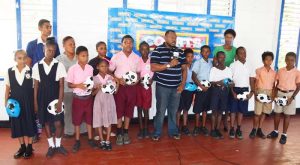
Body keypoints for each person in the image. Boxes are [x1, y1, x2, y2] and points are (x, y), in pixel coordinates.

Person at [32, 38, 67, 158]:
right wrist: (35, 103)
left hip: (55, 98)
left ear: (55, 51)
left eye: (53, 51)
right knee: (46, 122)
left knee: (58, 123)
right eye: (48, 50)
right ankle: (51, 146)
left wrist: (60, 102)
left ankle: (58, 145)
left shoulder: (59, 65)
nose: (50, 53)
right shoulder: (37, 66)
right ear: (43, 49)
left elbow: (61, 85)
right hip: (42, 97)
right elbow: (36, 86)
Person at [151, 30, 187, 141]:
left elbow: (184, 69)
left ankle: (173, 131)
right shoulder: (158, 50)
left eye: (175, 37)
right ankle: (157, 132)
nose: (174, 39)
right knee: (161, 111)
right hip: (162, 87)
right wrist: (169, 65)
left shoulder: (180, 52)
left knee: (173, 111)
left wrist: (182, 85)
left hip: (176, 88)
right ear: (165, 38)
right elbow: (153, 67)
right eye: (171, 37)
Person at [5, 50, 36, 159]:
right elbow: (8, 87)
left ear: (27, 58)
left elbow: (34, 88)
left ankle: (29, 146)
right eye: (19, 58)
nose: (22, 60)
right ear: (15, 59)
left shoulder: (31, 71)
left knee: (29, 122)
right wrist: (6, 102)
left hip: (28, 102)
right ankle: (22, 146)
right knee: (17, 124)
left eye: (24, 57)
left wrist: (35, 103)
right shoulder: (10, 71)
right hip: (14, 103)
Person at [109, 35, 140, 145]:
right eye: (126, 42)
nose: (128, 44)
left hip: (132, 88)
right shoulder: (116, 57)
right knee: (119, 110)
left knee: (129, 110)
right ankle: (119, 133)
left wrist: (137, 80)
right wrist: (117, 79)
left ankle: (126, 132)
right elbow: (109, 71)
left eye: (130, 42)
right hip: (120, 88)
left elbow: (139, 73)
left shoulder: (137, 58)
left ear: (132, 44)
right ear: (122, 44)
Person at [66, 46, 97, 152]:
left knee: (89, 120)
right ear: (77, 56)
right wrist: (78, 85)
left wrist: (92, 86)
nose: (86, 58)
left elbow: (91, 81)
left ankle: (90, 139)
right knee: (77, 121)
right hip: (78, 99)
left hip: (88, 98)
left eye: (87, 55)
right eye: (83, 56)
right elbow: (69, 84)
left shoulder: (90, 68)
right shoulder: (72, 69)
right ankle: (77, 140)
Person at [56, 36, 87, 138]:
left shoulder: (78, 57)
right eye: (70, 44)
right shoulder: (59, 60)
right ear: (64, 46)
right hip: (66, 90)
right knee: (68, 111)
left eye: (74, 44)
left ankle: (83, 130)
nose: (73, 46)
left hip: (80, 90)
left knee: (81, 110)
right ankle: (69, 131)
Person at [267, 52, 300, 144]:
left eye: (292, 60)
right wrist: (274, 95)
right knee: (277, 113)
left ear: (295, 61)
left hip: (290, 95)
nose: (290, 62)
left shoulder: (297, 72)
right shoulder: (280, 70)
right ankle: (275, 131)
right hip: (280, 93)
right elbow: (276, 84)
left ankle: (284, 134)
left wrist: (292, 97)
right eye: (288, 60)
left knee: (287, 115)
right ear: (285, 60)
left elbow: (298, 87)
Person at [213, 29, 237, 132]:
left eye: (230, 37)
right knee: (217, 104)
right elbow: (214, 62)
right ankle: (215, 126)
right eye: (227, 37)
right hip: (218, 78)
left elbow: (235, 65)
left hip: (229, 77)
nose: (228, 39)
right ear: (224, 37)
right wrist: (220, 75)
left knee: (226, 103)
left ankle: (225, 122)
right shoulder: (218, 49)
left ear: (233, 38)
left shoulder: (235, 50)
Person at [229, 47, 255, 139]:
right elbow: (230, 81)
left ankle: (238, 129)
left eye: (244, 53)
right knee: (233, 110)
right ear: (237, 55)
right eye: (241, 53)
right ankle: (232, 128)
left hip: (245, 90)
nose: (243, 55)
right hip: (235, 89)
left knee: (241, 110)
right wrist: (232, 92)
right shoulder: (233, 65)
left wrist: (252, 91)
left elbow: (252, 79)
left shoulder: (250, 65)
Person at [249, 52, 276, 139]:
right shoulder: (259, 70)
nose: (268, 61)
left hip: (269, 92)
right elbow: (254, 82)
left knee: (264, 112)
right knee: (257, 113)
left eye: (270, 59)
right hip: (260, 92)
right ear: (263, 60)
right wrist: (256, 94)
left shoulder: (274, 72)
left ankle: (259, 129)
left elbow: (274, 85)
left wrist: (273, 96)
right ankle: (254, 129)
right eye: (266, 59)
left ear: (272, 61)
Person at [92, 59, 118, 151]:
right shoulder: (94, 78)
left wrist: (117, 83)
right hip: (99, 101)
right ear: (98, 67)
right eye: (102, 66)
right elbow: (92, 94)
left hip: (109, 100)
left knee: (109, 119)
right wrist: (98, 88)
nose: (105, 68)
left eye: (106, 66)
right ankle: (102, 140)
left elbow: (115, 92)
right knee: (99, 119)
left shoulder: (110, 77)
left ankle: (107, 140)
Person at [209, 51, 233, 139]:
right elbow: (211, 82)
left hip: (225, 92)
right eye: (220, 57)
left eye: (223, 57)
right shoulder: (213, 69)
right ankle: (212, 130)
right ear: (216, 58)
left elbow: (230, 82)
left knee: (220, 112)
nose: (222, 59)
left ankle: (217, 129)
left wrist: (231, 84)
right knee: (214, 111)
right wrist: (221, 82)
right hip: (216, 91)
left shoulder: (228, 69)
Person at [191, 45, 213, 136]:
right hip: (200, 88)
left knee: (205, 109)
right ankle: (196, 127)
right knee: (197, 109)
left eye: (207, 51)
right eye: (204, 51)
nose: (206, 53)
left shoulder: (210, 63)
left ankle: (203, 126)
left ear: (210, 52)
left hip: (208, 88)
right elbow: (193, 76)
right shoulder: (198, 63)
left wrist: (208, 86)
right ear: (200, 53)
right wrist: (200, 86)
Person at [136, 41, 153, 139]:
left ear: (149, 50)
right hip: (139, 87)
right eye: (142, 49)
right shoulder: (137, 61)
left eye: (146, 49)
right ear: (139, 50)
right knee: (139, 108)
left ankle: (146, 129)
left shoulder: (152, 61)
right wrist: (138, 79)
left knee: (146, 109)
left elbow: (154, 73)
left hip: (147, 87)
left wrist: (151, 80)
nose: (144, 51)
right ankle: (141, 129)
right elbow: (136, 73)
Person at [176, 48, 194, 136]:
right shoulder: (182, 67)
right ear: (184, 58)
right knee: (179, 109)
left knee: (186, 109)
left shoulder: (193, 66)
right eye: (188, 57)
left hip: (190, 90)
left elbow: (194, 78)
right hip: (182, 89)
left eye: (191, 57)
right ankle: (176, 126)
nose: (190, 59)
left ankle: (184, 126)